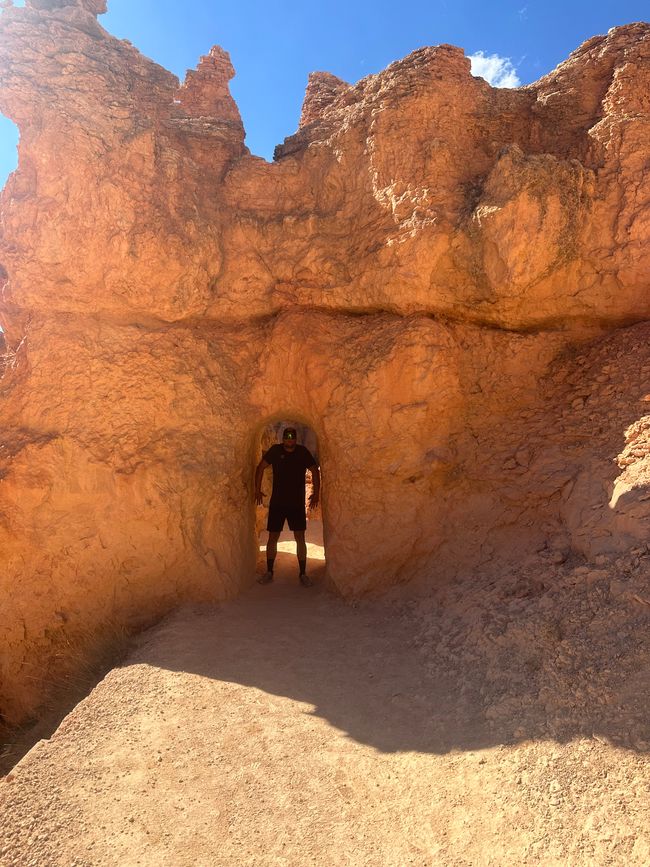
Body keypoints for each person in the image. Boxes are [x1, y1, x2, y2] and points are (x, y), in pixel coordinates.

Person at [254, 427, 320, 587]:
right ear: (283, 438)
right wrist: (257, 489)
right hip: (278, 502)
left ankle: (303, 573)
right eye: (287, 437)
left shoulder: (302, 452)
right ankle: (269, 572)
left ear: (295, 438)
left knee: (300, 538)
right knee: (273, 537)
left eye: (292, 437)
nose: (289, 439)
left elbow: (314, 470)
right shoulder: (276, 451)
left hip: (296, 503)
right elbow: (260, 467)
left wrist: (317, 492)